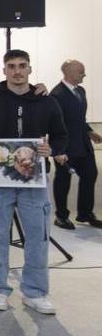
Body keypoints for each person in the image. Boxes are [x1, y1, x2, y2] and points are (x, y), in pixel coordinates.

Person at [0, 49, 68, 315]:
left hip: (34, 180)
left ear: (30, 69)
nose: (17, 71)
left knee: (38, 237)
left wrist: (52, 149)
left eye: (22, 66)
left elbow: (61, 136)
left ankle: (35, 292)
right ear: (3, 70)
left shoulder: (47, 102)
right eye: (11, 66)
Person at [50, 59, 101, 229]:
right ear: (69, 73)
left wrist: (89, 131)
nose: (84, 75)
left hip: (83, 145)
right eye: (81, 72)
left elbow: (78, 118)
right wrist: (57, 151)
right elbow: (55, 124)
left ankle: (85, 213)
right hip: (66, 148)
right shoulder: (56, 95)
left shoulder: (81, 91)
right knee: (63, 180)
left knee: (90, 175)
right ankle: (62, 216)